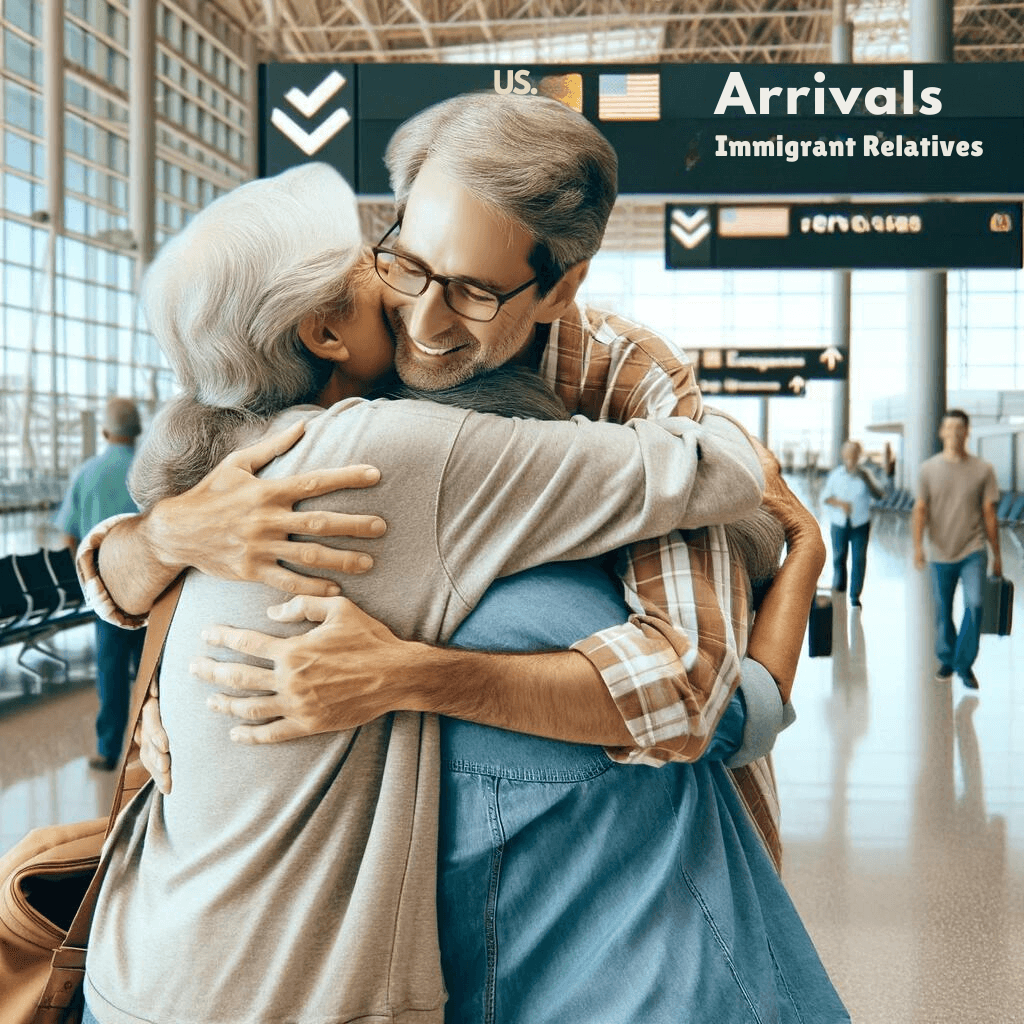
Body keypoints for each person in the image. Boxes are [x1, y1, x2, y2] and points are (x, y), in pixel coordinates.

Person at [80, 162, 813, 1024]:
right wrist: (783, 524)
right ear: (323, 331)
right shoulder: (396, 451)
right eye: (374, 268)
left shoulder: (238, 476)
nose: (403, 295)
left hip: (141, 962)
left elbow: (118, 577)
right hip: (271, 994)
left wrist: (158, 537)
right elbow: (713, 477)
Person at [53, 397, 146, 770]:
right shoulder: (150, 473)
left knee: (110, 669)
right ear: (138, 431)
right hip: (150, 590)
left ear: (106, 432)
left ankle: (109, 750)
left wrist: (85, 577)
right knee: (149, 669)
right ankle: (149, 751)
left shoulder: (87, 474)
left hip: (104, 590)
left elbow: (68, 536)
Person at [913, 408, 1002, 690]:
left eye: (959, 428)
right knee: (942, 610)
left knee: (975, 605)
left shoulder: (983, 469)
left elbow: (989, 513)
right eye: (949, 428)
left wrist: (997, 554)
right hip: (940, 551)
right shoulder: (928, 469)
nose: (953, 433)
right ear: (942, 433)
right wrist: (918, 546)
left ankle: (964, 664)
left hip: (973, 549)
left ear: (967, 432)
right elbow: (920, 509)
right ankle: (947, 659)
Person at [821, 439, 884, 608]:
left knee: (859, 559)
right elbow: (825, 497)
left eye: (854, 454)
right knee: (839, 557)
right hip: (839, 523)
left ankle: (855, 595)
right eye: (848, 454)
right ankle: (839, 588)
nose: (851, 458)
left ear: (859, 456)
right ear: (843, 456)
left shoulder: (866, 474)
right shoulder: (836, 475)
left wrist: (867, 480)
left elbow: (879, 495)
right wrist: (841, 504)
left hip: (860, 524)